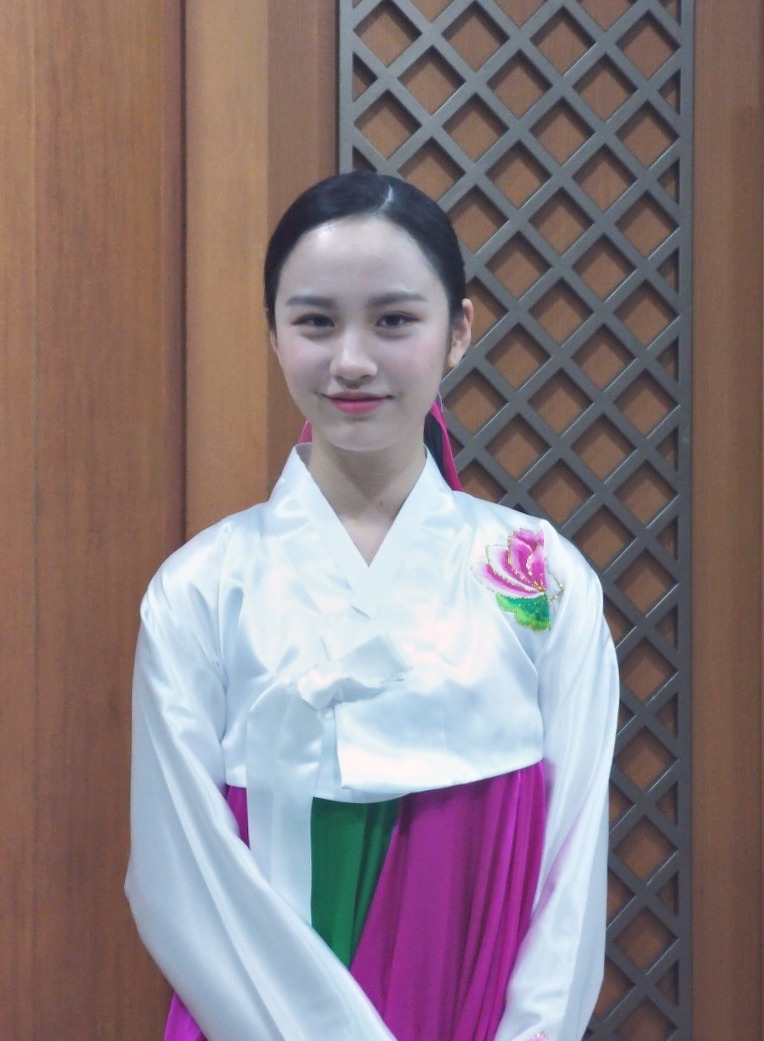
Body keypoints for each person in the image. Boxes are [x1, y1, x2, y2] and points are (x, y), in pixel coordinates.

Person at [125, 171, 619, 1041]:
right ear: (273, 330)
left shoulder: (545, 580)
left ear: (458, 329)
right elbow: (182, 877)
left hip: (476, 1004)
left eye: (393, 320)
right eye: (315, 321)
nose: (351, 360)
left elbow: (571, 867)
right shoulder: (202, 589)